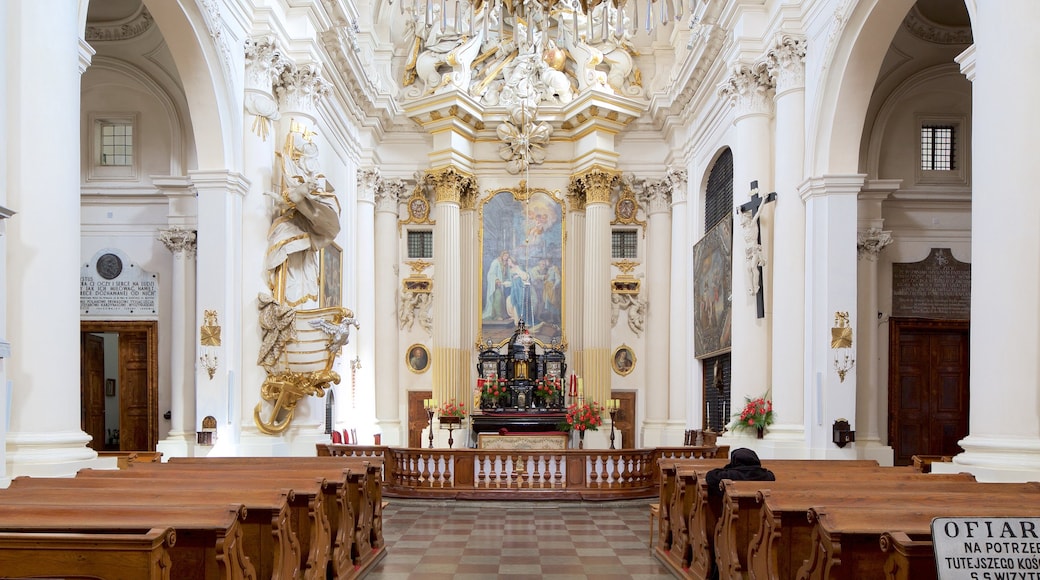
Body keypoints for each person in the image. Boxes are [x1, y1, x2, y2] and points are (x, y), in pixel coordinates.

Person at [704, 448, 774, 580]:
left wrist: (729, 468)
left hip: (735, 525)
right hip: (762, 525)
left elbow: (710, 476)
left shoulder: (730, 475)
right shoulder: (768, 476)